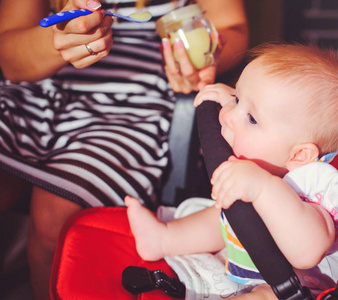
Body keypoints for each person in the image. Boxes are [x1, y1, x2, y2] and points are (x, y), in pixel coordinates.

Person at [0, 0, 248, 299]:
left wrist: (208, 57)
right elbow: (9, 57)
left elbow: (233, 27)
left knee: (57, 218)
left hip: (136, 104)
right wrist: (57, 42)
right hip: (35, 93)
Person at [125, 43, 338, 298]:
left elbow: (307, 253)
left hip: (297, 284)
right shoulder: (268, 154)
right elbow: (259, 110)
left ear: (299, 155)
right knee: (222, 213)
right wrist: (229, 99)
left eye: (251, 118)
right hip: (250, 255)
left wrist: (264, 188)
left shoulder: (313, 186)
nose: (229, 116)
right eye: (238, 99)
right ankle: (164, 238)